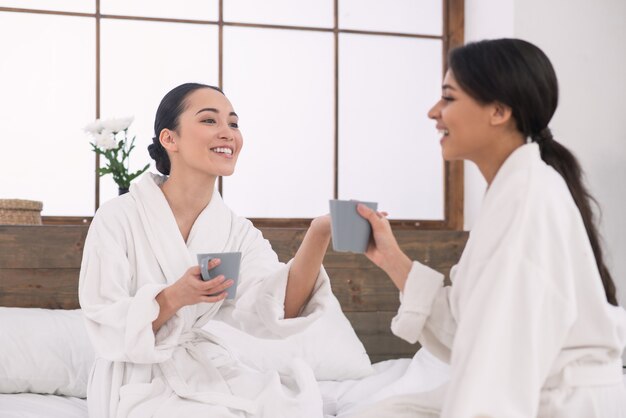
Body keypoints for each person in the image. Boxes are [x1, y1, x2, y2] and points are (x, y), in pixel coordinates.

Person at [350, 39, 626, 417]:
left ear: (498, 111)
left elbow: (497, 365)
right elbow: (467, 330)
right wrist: (391, 259)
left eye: (448, 98)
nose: (434, 112)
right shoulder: (513, 191)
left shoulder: (526, 197)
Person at [78, 83, 370, 418]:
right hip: (136, 376)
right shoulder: (118, 217)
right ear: (169, 139)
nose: (227, 133)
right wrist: (174, 297)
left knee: (292, 409)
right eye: (209, 121)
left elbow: (276, 307)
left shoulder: (235, 230)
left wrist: (320, 232)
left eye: (233, 123)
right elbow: (104, 318)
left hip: (204, 368)